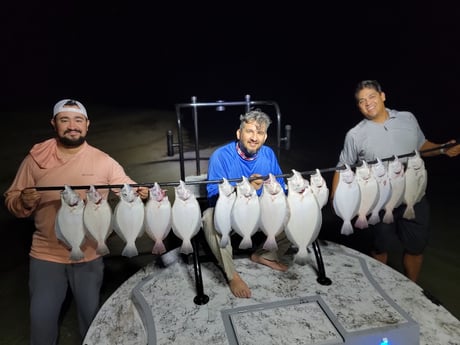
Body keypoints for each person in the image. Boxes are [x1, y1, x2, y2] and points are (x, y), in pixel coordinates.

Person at [4, 99, 149, 345]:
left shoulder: (103, 160)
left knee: (90, 317)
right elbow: (11, 198)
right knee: (41, 318)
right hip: (45, 254)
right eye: (65, 119)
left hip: (90, 254)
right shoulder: (35, 158)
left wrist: (141, 193)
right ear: (54, 123)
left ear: (87, 125)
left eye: (78, 120)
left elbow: (127, 187)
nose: (72, 126)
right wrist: (23, 202)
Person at [331, 80, 460, 283]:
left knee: (416, 248)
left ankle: (412, 288)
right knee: (380, 247)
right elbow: (342, 166)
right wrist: (336, 201)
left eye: (372, 96)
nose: (368, 103)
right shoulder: (355, 135)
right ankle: (380, 288)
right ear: (358, 106)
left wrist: (443, 149)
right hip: (379, 201)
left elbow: (421, 145)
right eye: (362, 101)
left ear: (383, 96)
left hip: (413, 196)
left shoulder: (407, 118)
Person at [202, 109, 291, 299]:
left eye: (259, 133)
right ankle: (232, 274)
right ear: (239, 133)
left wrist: (270, 186)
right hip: (233, 211)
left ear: (265, 137)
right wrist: (245, 187)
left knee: (292, 210)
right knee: (209, 218)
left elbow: (282, 187)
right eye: (249, 131)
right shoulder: (220, 156)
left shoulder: (268, 154)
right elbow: (212, 195)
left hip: (260, 209)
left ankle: (264, 254)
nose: (254, 137)